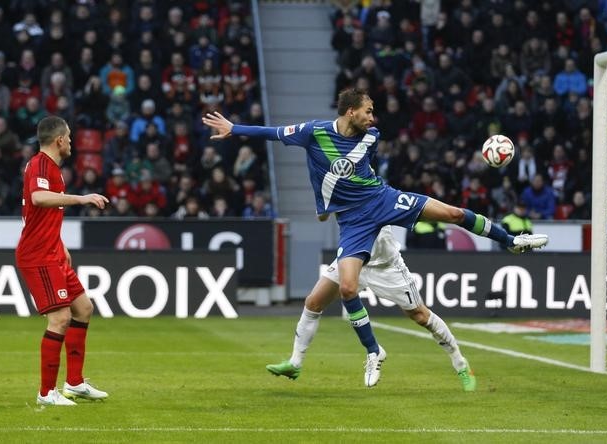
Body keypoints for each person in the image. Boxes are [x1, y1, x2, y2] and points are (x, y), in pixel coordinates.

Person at [202, 88, 548, 386]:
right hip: (354, 223)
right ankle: (365, 352)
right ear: (351, 111)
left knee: (453, 214)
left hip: (382, 200)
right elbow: (273, 133)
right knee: (340, 292)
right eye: (369, 110)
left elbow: (360, 170)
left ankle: (510, 241)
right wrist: (235, 129)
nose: (373, 116)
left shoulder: (372, 137)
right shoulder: (313, 132)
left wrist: (331, 198)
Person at [266, 227, 477, 391]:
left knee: (420, 315)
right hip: (352, 259)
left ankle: (461, 364)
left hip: (385, 267)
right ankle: (295, 363)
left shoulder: (379, 194)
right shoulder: (342, 191)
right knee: (313, 302)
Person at [15, 116, 110, 406]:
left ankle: (75, 383)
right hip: (38, 256)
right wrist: (83, 199)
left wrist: (60, 243)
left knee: (83, 308)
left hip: (53, 251)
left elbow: (41, 214)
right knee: (59, 318)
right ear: (59, 140)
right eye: (68, 137)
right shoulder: (41, 165)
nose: (70, 141)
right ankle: (46, 393)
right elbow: (39, 198)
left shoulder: (50, 168)